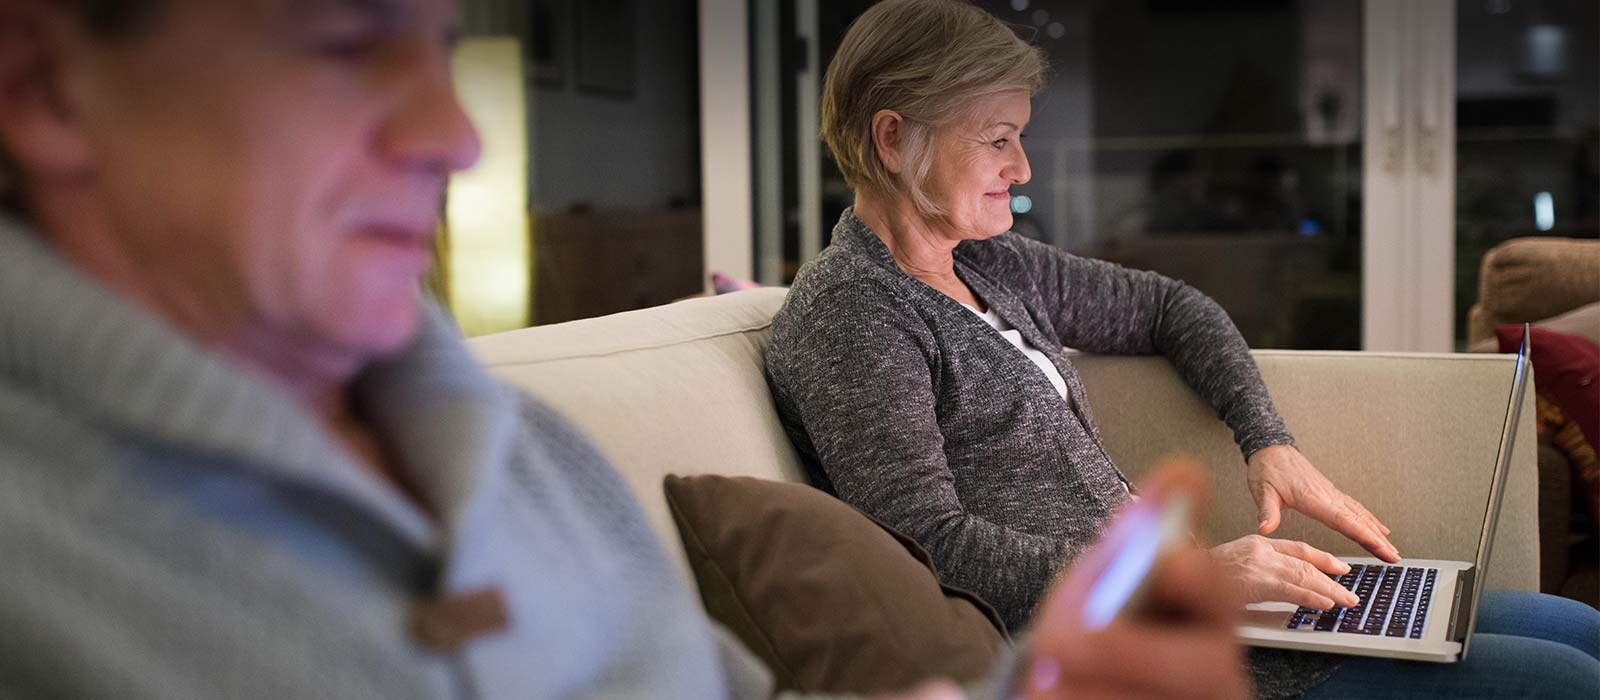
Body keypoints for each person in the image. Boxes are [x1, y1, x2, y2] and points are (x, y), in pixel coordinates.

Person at [0, 1, 1254, 698]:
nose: (455, 137)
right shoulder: (47, 579)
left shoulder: (521, 449)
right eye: (342, 45)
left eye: (438, 46)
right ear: (47, 84)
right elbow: (929, 538)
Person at [761, 1, 1600, 698]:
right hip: (1145, 656)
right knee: (1565, 676)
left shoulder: (986, 260)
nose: (1021, 167)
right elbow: (931, 545)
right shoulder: (854, 316)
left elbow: (1168, 307)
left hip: (1204, 612)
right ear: (892, 139)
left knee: (1581, 628)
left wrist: (1265, 438)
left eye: (1020, 135)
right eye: (996, 138)